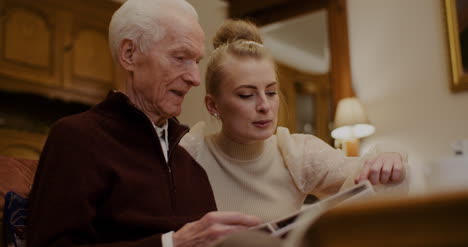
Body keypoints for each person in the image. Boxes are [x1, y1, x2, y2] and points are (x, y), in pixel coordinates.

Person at [26, 2, 261, 247]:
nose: (194, 79)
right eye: (180, 58)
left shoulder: (191, 166)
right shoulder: (76, 139)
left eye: (196, 61)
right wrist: (171, 243)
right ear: (129, 54)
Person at [180, 19, 408, 222]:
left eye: (271, 92)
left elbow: (369, 177)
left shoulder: (296, 154)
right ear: (213, 105)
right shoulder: (188, 155)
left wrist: (390, 156)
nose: (264, 106)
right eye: (246, 95)